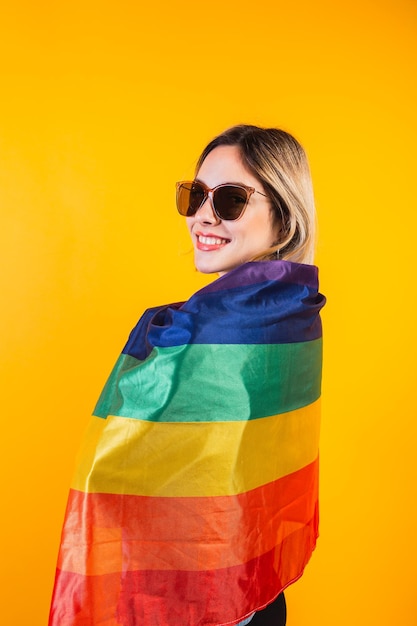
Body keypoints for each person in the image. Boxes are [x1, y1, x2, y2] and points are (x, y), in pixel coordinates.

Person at [49, 124, 325, 626]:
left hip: (206, 599)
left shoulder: (209, 332)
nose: (202, 215)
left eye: (231, 200)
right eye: (196, 194)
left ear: (284, 221)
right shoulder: (295, 314)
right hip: (256, 583)